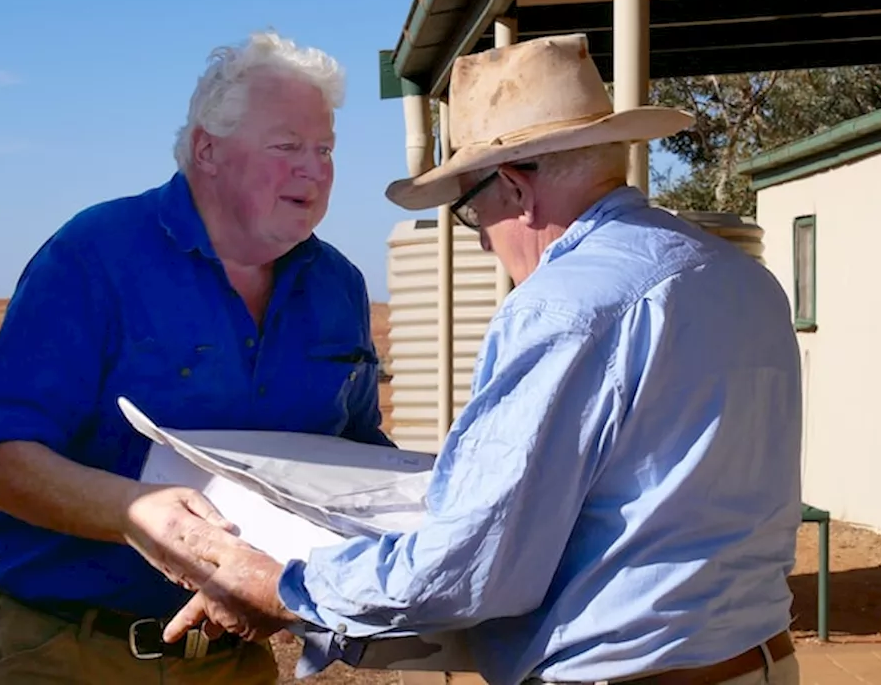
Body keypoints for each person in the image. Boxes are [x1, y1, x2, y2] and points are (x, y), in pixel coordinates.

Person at [158, 33, 804, 685]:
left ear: (516, 190)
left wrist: (283, 586)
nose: (487, 246)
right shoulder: (740, 279)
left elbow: (469, 566)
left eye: (470, 212)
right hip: (761, 659)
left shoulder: (564, 306)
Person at [0, 30, 394, 685]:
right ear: (209, 151)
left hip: (234, 661)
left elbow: (351, 463)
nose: (315, 169)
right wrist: (135, 512)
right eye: (287, 146)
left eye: (325, 149)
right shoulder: (94, 257)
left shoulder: (338, 288)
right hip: (68, 654)